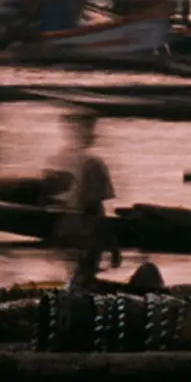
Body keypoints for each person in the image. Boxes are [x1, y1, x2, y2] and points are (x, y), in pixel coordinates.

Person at [47, 108, 117, 291]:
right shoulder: (94, 164)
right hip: (86, 236)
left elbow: (52, 199)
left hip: (66, 234)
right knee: (82, 283)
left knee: (73, 281)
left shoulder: (60, 159)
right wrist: (114, 246)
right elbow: (96, 208)